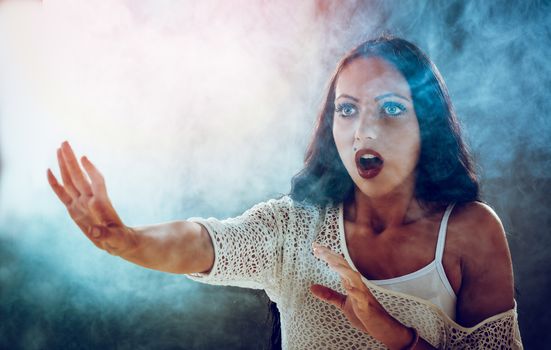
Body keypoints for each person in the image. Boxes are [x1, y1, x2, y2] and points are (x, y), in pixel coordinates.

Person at [47, 36, 523, 349]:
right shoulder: (296, 225)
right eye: (348, 110)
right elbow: (207, 242)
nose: (364, 131)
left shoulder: (470, 233)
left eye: (391, 108)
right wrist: (129, 240)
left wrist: (397, 338)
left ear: (428, 124)